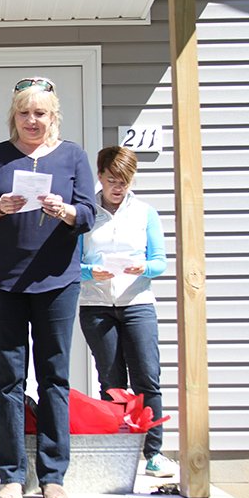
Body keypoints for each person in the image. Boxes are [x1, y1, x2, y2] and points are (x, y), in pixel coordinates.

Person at [0, 77, 96, 498]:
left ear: (53, 116)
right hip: (3, 280)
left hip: (57, 281)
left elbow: (90, 213)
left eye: (40, 112)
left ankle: (53, 475)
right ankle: (11, 476)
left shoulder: (72, 155)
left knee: (54, 377)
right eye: (25, 112)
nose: (32, 120)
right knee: (8, 378)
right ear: (14, 116)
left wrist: (68, 211)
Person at [78, 145, 176, 478]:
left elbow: (160, 261)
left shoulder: (145, 212)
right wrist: (91, 272)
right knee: (112, 381)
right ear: (100, 177)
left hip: (137, 304)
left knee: (147, 378)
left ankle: (154, 452)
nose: (118, 188)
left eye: (124, 181)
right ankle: (118, 451)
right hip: (97, 305)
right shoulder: (87, 212)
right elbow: (72, 265)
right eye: (111, 180)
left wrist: (142, 267)